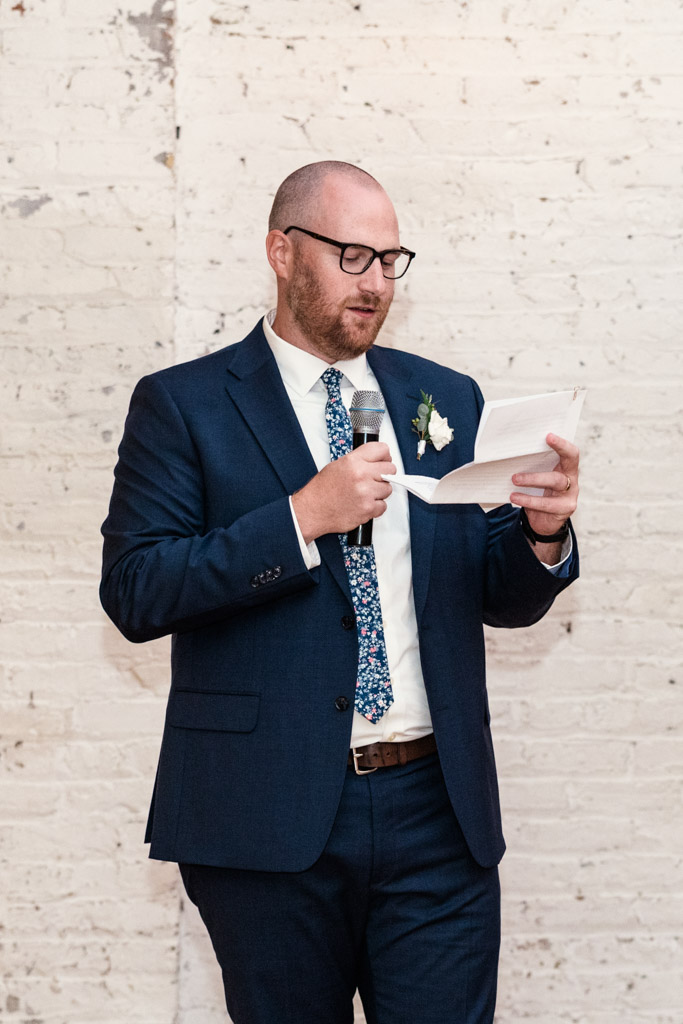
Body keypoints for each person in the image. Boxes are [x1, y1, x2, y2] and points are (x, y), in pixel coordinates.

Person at [100, 160, 580, 1024]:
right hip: (265, 817)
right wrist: (299, 519)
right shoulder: (184, 405)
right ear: (282, 252)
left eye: (391, 261)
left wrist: (541, 534)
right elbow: (136, 591)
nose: (375, 284)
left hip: (437, 812)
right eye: (352, 256)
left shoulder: (443, 398)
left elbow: (494, 595)